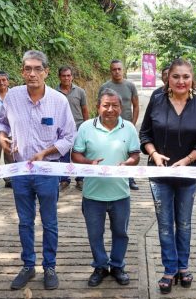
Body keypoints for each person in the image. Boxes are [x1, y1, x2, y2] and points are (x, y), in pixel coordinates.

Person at [0, 50, 76, 291]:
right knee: (24, 221)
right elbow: (2, 122)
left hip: (47, 171)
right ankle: (28, 266)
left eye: (37, 69)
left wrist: (46, 152)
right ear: (22, 72)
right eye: (27, 69)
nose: (32, 73)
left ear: (46, 72)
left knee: (49, 221)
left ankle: (49, 267)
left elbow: (69, 136)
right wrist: (1, 136)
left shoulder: (58, 101)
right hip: (20, 171)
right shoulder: (12, 97)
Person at [140, 58, 196, 294]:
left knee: (183, 223)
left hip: (188, 174)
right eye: (176, 76)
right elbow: (144, 134)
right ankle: (169, 269)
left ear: (192, 79)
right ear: (168, 79)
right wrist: (154, 154)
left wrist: (188, 159)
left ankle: (183, 266)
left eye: (185, 77)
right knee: (164, 224)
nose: (181, 81)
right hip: (159, 174)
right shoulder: (157, 99)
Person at [72, 88, 140, 287]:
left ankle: (118, 265)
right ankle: (100, 266)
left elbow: (135, 155)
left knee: (121, 233)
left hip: (120, 194)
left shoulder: (128, 128)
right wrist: (88, 162)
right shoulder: (85, 128)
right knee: (95, 234)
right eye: (106, 105)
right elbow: (75, 155)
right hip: (92, 195)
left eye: (115, 105)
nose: (110, 109)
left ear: (121, 107)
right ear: (97, 107)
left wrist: (129, 162)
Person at [99, 59, 140, 191]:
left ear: (123, 70)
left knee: (130, 152)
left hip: (126, 124)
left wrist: (133, 124)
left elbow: (136, 105)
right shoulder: (105, 87)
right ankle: (109, 176)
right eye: (114, 69)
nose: (117, 72)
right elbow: (100, 106)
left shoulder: (130, 86)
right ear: (110, 71)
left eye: (119, 69)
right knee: (112, 150)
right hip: (109, 126)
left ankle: (130, 179)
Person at [57, 66, 89, 191]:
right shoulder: (54, 92)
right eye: (64, 76)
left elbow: (85, 110)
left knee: (79, 154)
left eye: (68, 75)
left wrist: (88, 127)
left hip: (79, 127)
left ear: (72, 76)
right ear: (59, 77)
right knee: (63, 155)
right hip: (62, 129)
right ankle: (64, 180)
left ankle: (80, 180)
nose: (66, 78)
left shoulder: (80, 92)